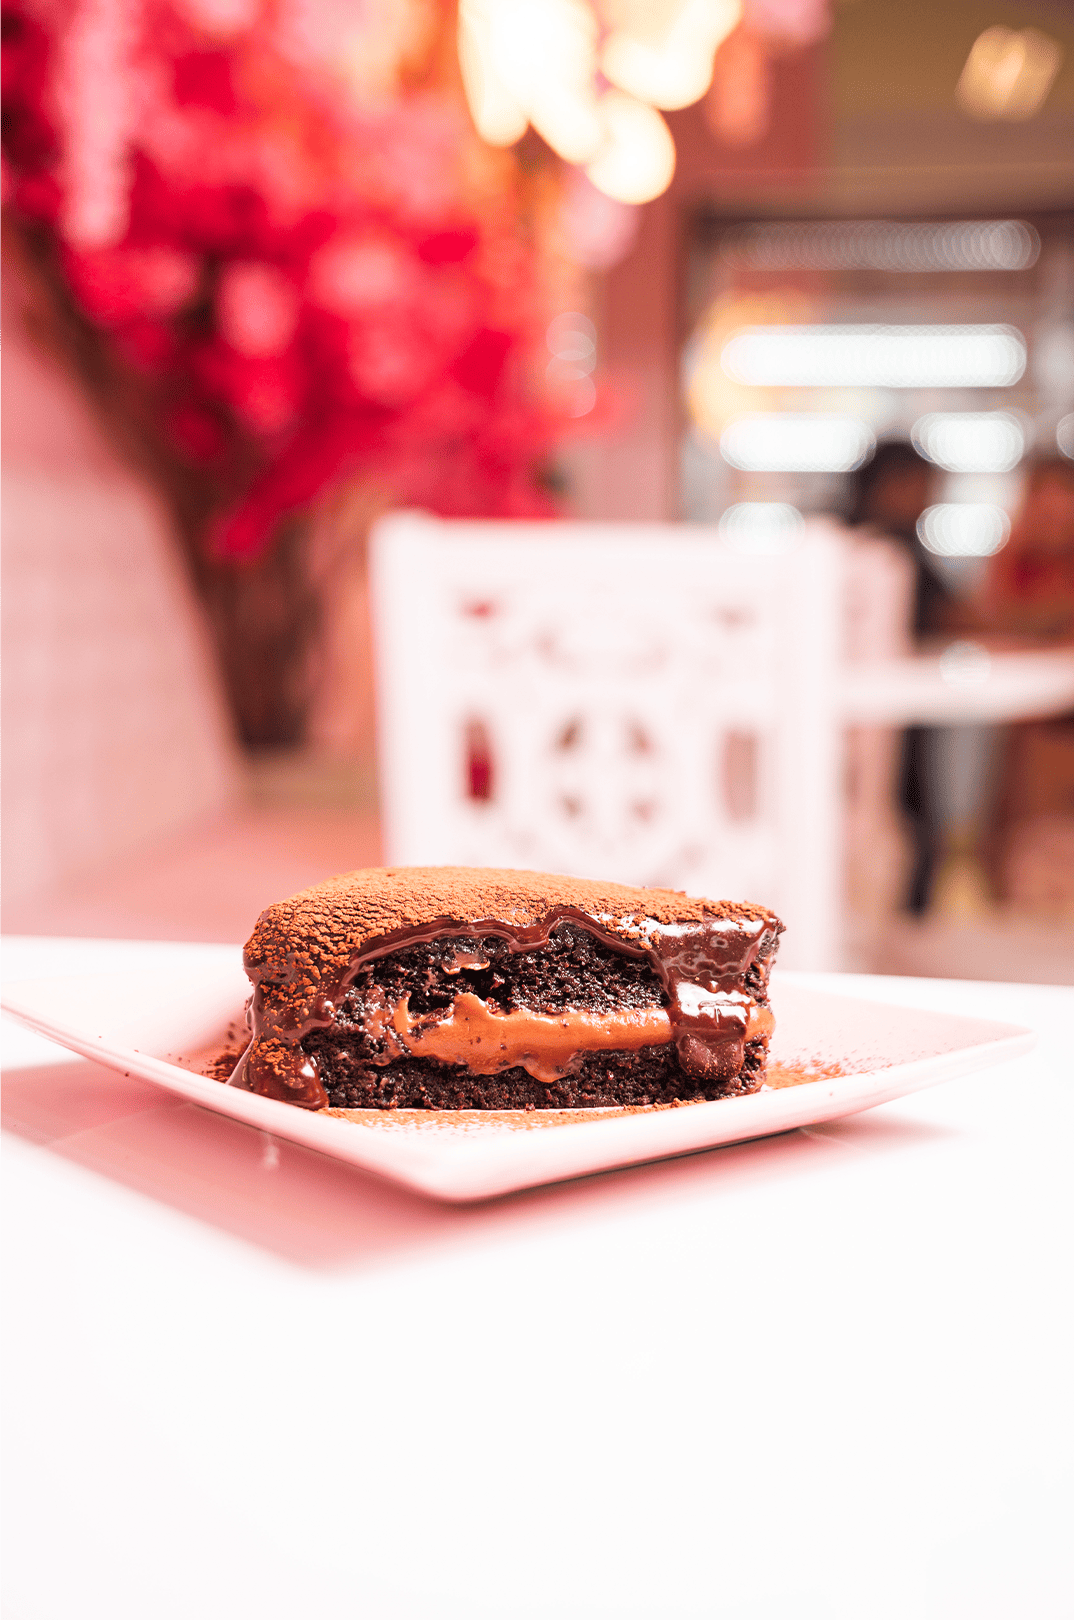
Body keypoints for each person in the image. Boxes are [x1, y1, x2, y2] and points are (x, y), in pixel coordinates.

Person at [844, 439, 948, 912]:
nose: (926, 496)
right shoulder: (880, 553)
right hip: (876, 722)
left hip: (890, 720)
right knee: (900, 825)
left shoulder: (878, 545)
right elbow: (948, 616)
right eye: (916, 483)